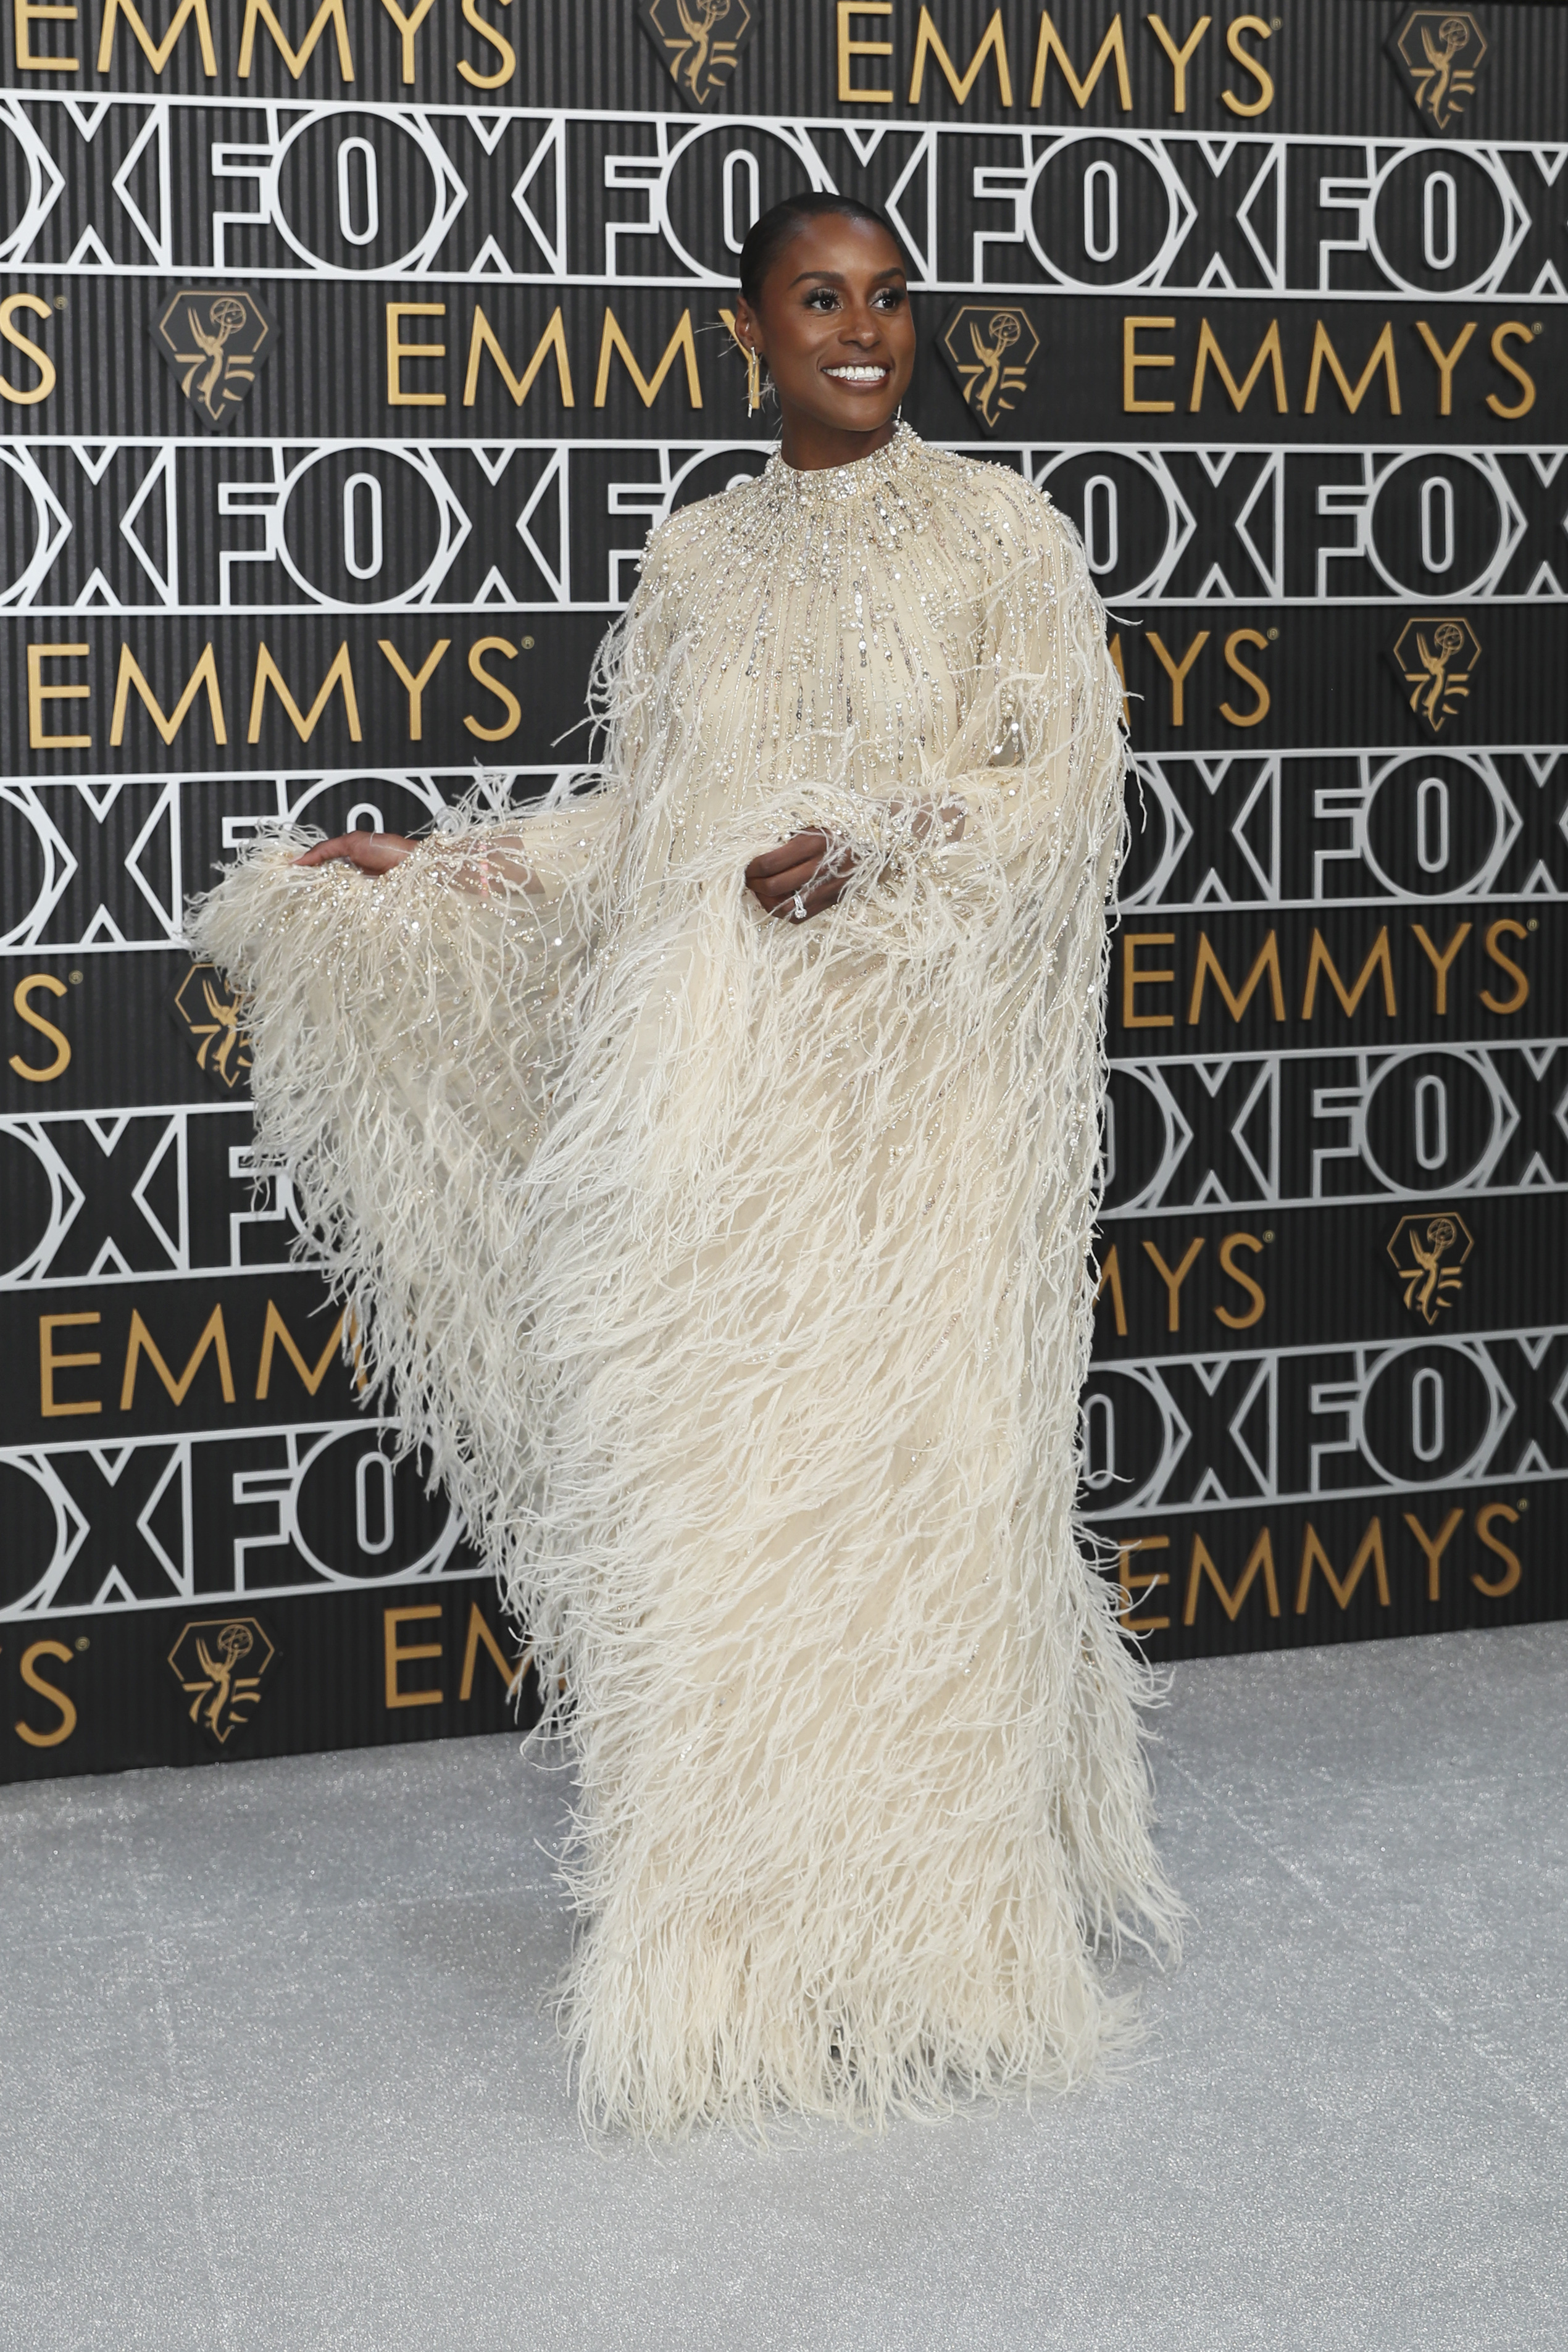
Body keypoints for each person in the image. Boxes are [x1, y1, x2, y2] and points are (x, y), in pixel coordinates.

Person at [191, 194, 1178, 2137]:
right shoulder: (698, 555)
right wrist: (459, 860)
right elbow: (659, 822)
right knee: (729, 1527)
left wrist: (883, 836)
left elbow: (1056, 789)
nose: (865, 330)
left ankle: (929, 1943)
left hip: (914, 1141)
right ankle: (730, 1959)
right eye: (822, 300)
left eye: (890, 300)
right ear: (748, 331)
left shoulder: (1000, 535)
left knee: (906, 1513)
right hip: (715, 1117)